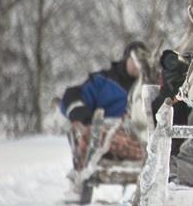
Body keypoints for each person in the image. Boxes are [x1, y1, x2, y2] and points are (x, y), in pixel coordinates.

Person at [60, 40, 149, 170]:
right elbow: (73, 96)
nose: (138, 65)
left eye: (142, 61)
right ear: (126, 59)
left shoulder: (149, 85)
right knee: (95, 135)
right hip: (104, 132)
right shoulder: (104, 81)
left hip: (137, 137)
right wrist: (82, 116)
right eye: (134, 59)